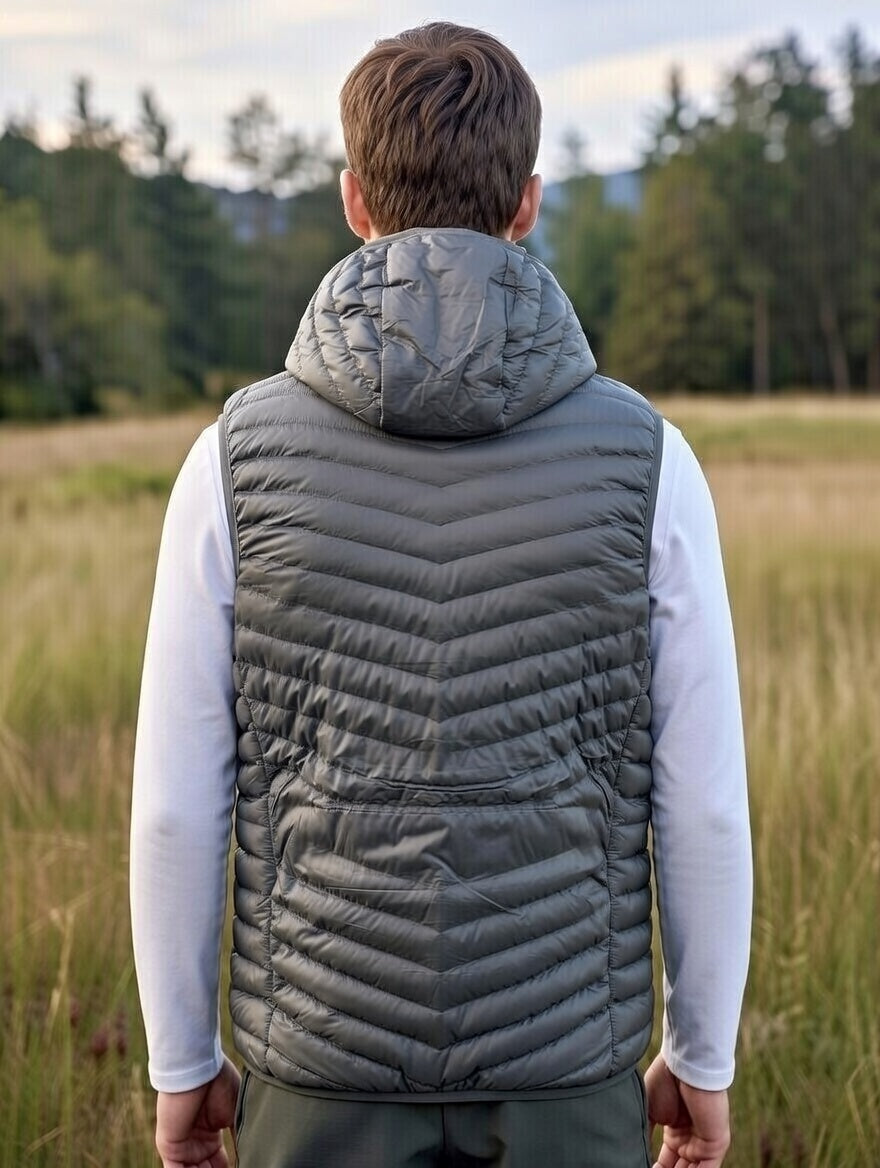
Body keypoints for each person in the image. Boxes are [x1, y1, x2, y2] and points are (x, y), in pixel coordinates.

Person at [129, 21, 752, 1168]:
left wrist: (182, 1063)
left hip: (318, 1080)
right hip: (567, 1085)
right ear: (526, 204)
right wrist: (700, 1058)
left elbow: (176, 806)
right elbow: (703, 803)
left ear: (354, 200)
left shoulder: (228, 462)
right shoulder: (650, 461)